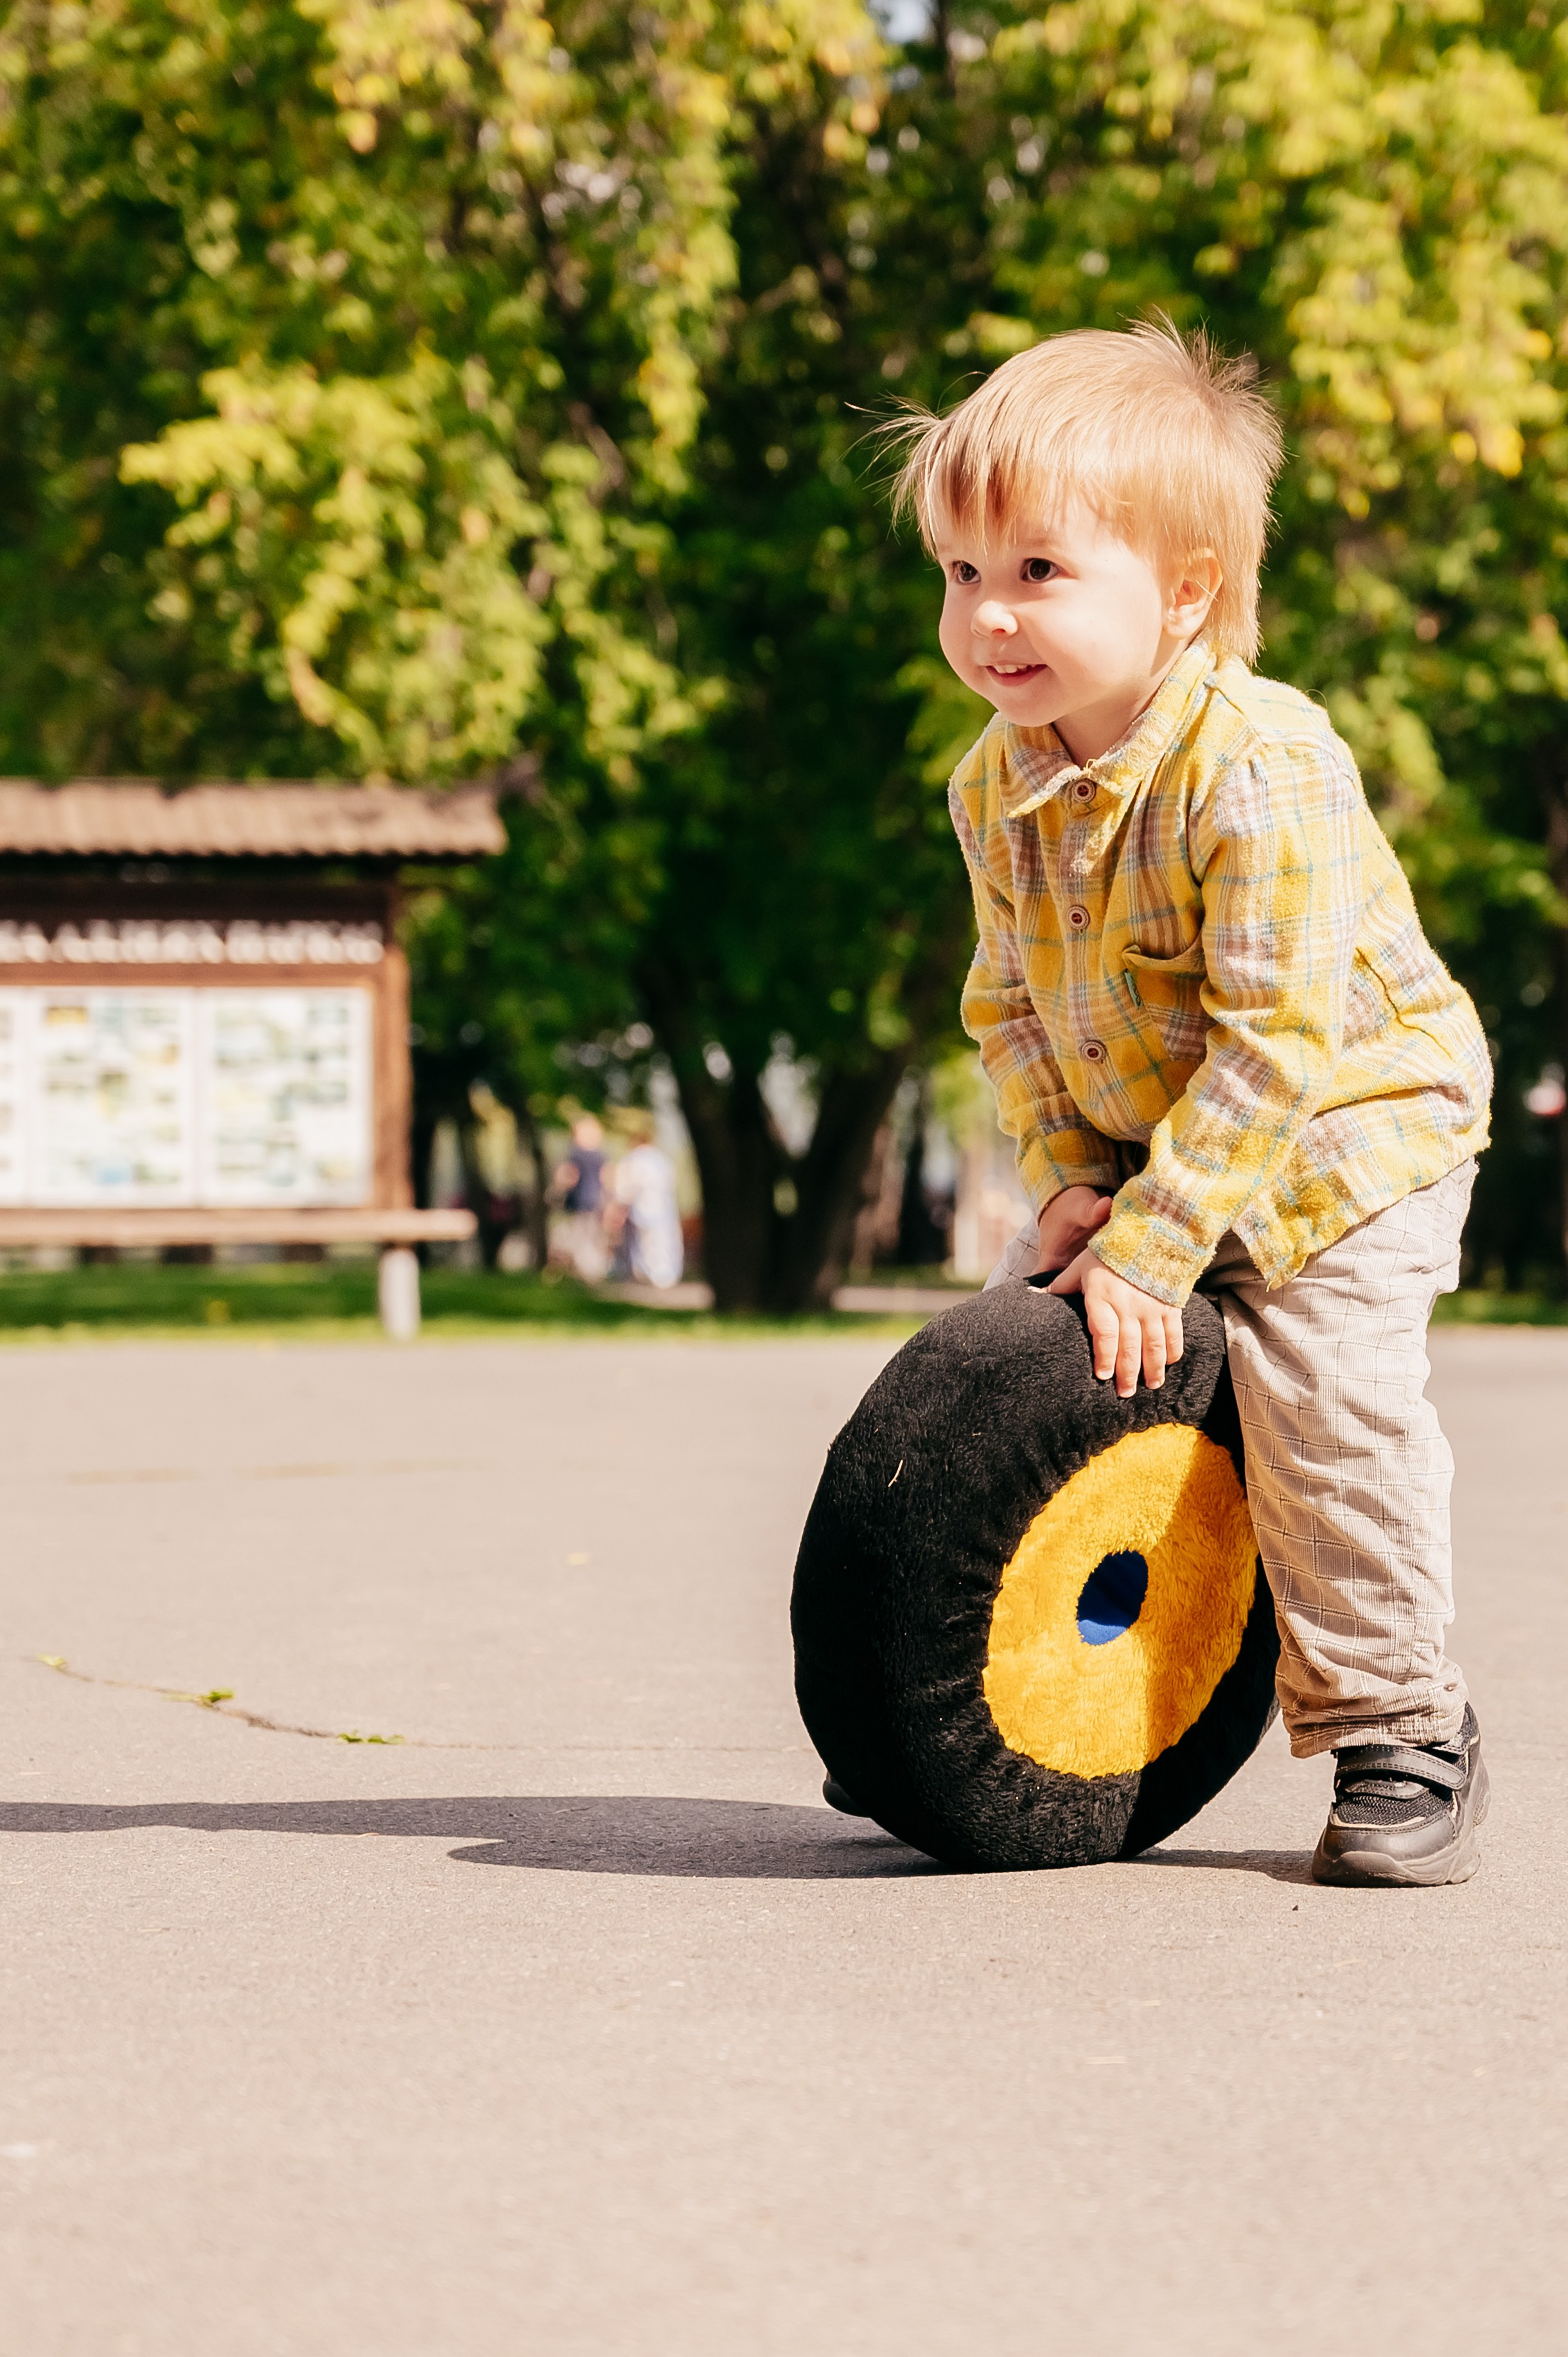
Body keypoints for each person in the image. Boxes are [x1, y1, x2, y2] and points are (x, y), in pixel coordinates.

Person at [894, 321, 1493, 1887]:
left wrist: (1156, 1246)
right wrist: (1068, 1190)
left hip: (1345, 1135)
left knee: (1322, 1404)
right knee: (1016, 1360)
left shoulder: (1262, 766)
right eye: (960, 571)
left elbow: (1274, 1045)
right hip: (1159, 1136)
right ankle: (943, 1705)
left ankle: (1399, 1721)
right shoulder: (990, 783)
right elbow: (1006, 1008)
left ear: (1180, 592)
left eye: (1036, 569)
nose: (986, 613)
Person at [610, 1113, 684, 1291]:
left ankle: (648, 1273)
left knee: (644, 1242)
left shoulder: (632, 1160)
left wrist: (619, 1206)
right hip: (663, 1207)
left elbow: (624, 1189)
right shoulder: (662, 1160)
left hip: (642, 1207)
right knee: (663, 1241)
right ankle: (664, 1274)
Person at [550, 1113, 610, 1282]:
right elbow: (607, 1177)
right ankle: (594, 1268)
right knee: (594, 1235)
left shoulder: (575, 1154)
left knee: (580, 1236)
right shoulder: (601, 1155)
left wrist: (558, 1188)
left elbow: (568, 1176)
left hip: (579, 1202)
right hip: (597, 1202)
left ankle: (587, 1269)